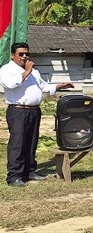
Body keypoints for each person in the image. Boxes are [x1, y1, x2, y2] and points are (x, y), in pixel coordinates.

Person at [1, 42, 73, 187]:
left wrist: (59, 86)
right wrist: (27, 71)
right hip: (18, 110)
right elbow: (11, 84)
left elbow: (43, 86)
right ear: (13, 55)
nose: (25, 56)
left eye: (27, 54)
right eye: (21, 54)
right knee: (18, 143)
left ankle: (29, 171)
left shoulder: (34, 71)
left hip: (34, 110)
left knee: (31, 142)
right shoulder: (6, 69)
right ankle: (14, 175)